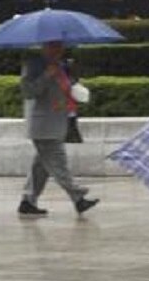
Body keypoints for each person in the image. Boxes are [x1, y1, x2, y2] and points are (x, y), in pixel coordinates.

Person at [18, 41, 98, 217]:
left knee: (41, 167)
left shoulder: (63, 65)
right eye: (53, 46)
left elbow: (66, 90)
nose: (58, 50)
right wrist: (46, 75)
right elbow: (28, 91)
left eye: (60, 46)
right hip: (43, 125)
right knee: (58, 163)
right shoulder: (34, 65)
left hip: (59, 121)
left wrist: (75, 85)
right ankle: (78, 198)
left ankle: (27, 202)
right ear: (44, 46)